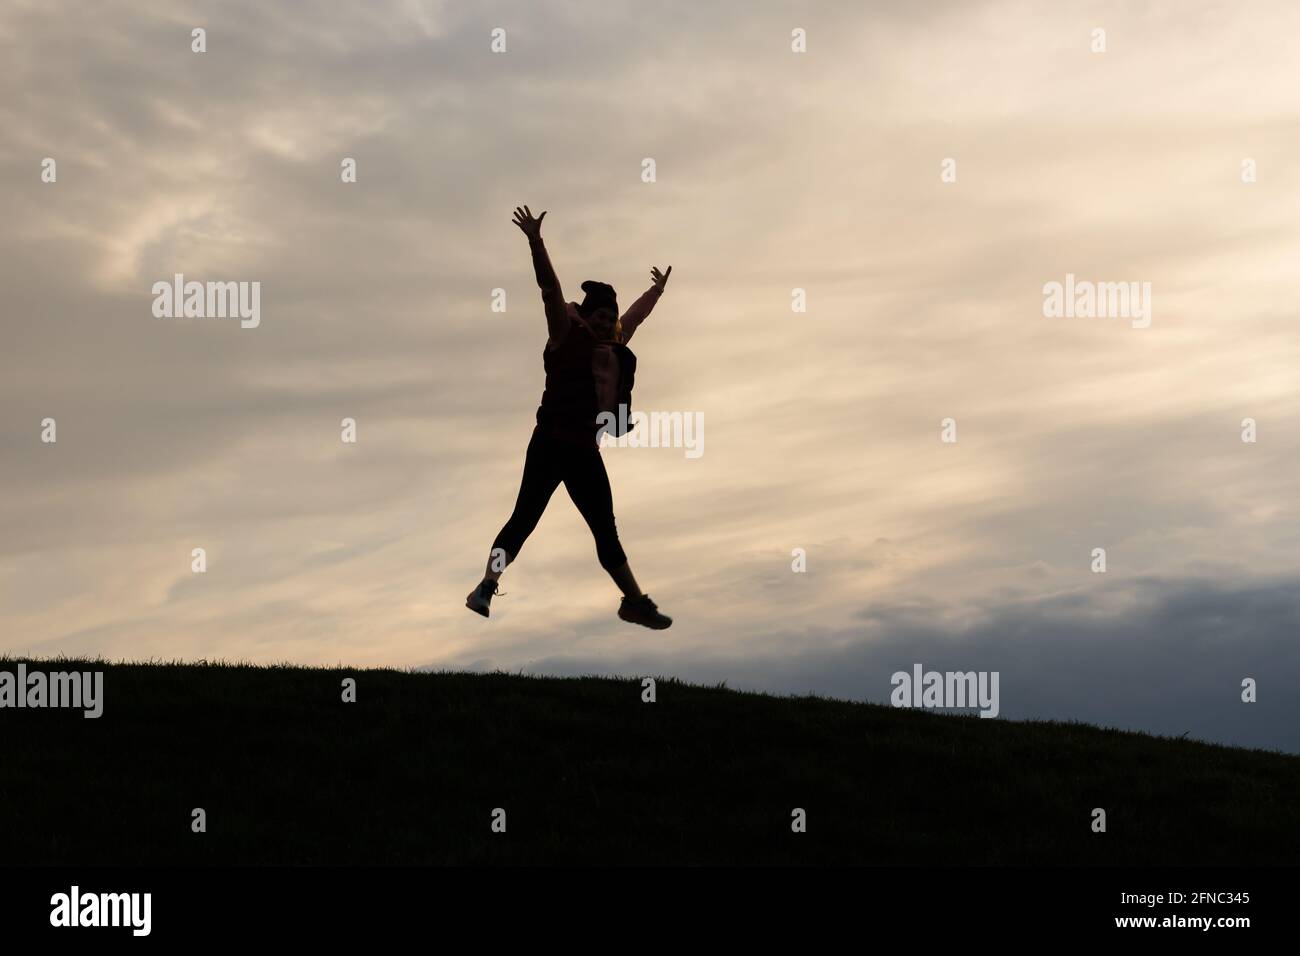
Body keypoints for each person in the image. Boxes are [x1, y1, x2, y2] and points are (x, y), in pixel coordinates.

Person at [466, 205, 673, 629]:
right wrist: (536, 242)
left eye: (611, 319)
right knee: (522, 520)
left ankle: (635, 602)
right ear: (586, 313)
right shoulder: (564, 331)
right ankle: (486, 585)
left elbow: (634, 318)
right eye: (601, 316)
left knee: (605, 531)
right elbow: (548, 288)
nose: (608, 324)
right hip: (549, 444)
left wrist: (656, 294)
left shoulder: (610, 343)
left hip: (583, 452)